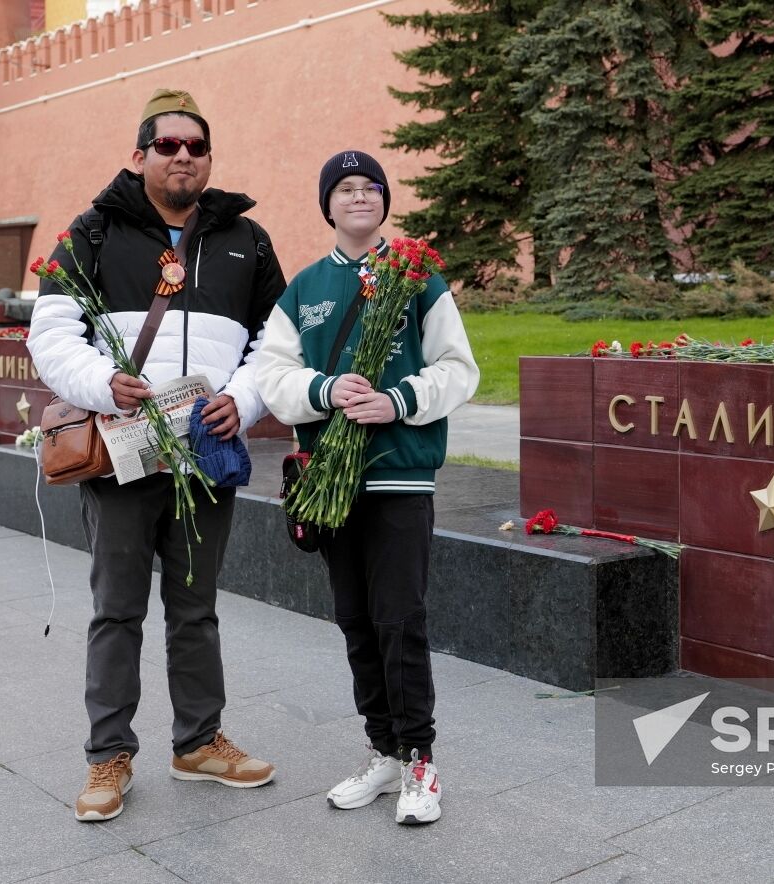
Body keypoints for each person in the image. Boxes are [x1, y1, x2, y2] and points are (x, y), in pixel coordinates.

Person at [27, 88, 286, 822]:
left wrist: (246, 400)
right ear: (138, 155)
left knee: (195, 608)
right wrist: (103, 385)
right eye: (167, 145)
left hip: (205, 450)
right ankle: (109, 757)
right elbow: (49, 335)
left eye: (195, 147)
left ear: (208, 158)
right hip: (124, 450)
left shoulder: (247, 240)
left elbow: (279, 341)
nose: (182, 156)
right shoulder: (94, 233)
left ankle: (198, 742)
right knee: (116, 610)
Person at [255, 150, 478, 825]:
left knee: (399, 620)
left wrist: (400, 400)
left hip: (399, 478)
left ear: (385, 202)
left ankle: (420, 762)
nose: (359, 197)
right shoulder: (306, 288)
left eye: (370, 188)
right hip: (331, 485)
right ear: (328, 205)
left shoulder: (419, 279)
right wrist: (323, 390)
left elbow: (458, 369)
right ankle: (383, 750)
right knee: (354, 620)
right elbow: (272, 373)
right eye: (345, 189)